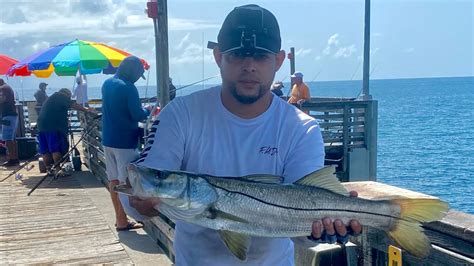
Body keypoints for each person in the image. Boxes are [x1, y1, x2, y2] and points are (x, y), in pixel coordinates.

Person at [130, 4, 361, 265]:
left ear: (279, 60)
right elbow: (141, 188)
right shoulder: (180, 114)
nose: (249, 66)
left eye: (261, 57)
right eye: (238, 55)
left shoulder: (302, 128)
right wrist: (141, 204)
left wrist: (325, 229)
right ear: (218, 56)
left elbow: (302, 236)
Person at [101, 55, 151, 231]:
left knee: (114, 181)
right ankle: (132, 218)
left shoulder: (107, 83)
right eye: (139, 75)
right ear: (133, 71)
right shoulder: (129, 88)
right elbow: (137, 114)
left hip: (108, 140)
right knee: (127, 183)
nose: (138, 79)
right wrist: (149, 109)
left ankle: (120, 219)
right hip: (125, 143)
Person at [37, 88, 94, 174]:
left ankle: (49, 169)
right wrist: (86, 110)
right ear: (67, 94)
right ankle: (57, 169)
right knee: (55, 149)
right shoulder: (61, 96)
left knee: (45, 150)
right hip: (53, 126)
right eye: (69, 97)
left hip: (41, 126)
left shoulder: (51, 97)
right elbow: (74, 105)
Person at [0, 78, 19, 166]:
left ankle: (12, 159)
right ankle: (15, 158)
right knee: (12, 139)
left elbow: (2, 99)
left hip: (8, 116)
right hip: (12, 115)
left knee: (8, 139)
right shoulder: (7, 87)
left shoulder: (3, 88)